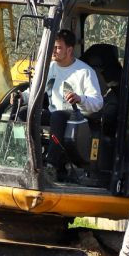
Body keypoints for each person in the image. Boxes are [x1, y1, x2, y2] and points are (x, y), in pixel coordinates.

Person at [44, 29, 103, 175]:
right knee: (25, 112)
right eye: (52, 47)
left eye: (58, 48)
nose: (53, 51)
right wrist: (22, 97)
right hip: (54, 113)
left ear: (69, 50)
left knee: (57, 116)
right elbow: (35, 90)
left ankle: (51, 166)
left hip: (78, 117)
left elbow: (98, 102)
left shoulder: (85, 72)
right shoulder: (49, 67)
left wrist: (80, 98)